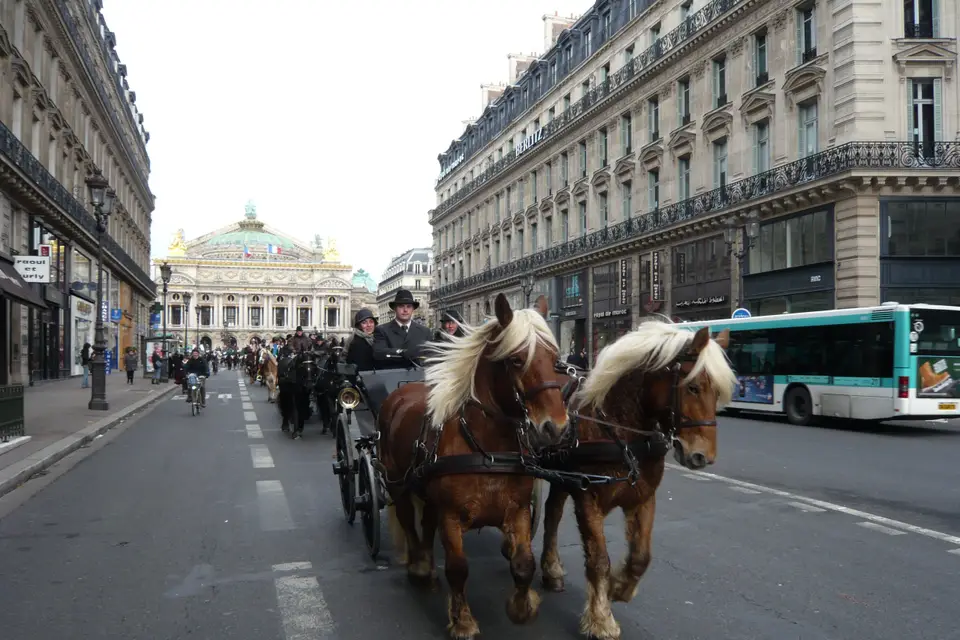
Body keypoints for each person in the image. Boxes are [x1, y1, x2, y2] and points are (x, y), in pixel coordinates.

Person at [373, 289, 432, 369]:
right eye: (401, 306)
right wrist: (400, 352)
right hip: (392, 378)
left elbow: (431, 358)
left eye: (408, 306)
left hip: (418, 378)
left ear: (413, 309)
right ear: (394, 308)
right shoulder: (382, 330)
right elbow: (378, 353)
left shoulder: (425, 332)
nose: (405, 310)